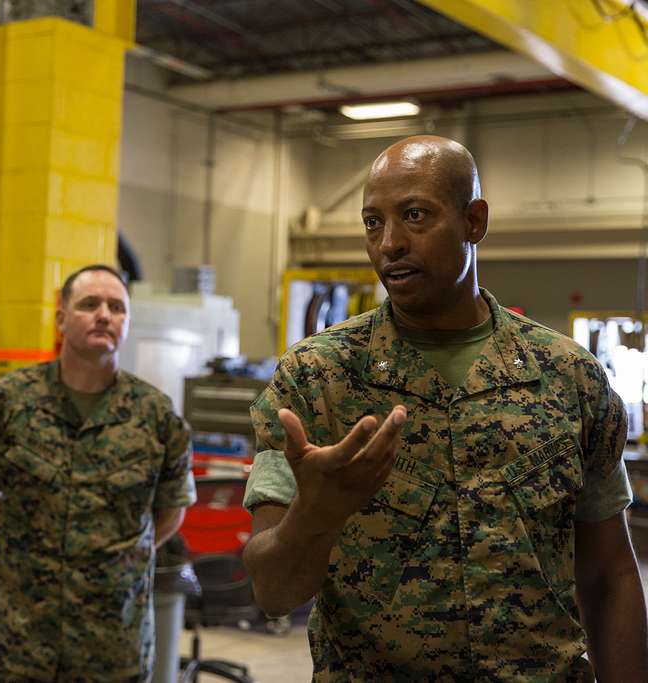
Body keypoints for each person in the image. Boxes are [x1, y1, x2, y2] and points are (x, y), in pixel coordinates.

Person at [243, 135, 648, 681]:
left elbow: (609, 575)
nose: (389, 243)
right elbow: (273, 592)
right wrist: (316, 515)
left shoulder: (568, 377)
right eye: (371, 222)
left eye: (414, 215)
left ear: (474, 221)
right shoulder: (317, 380)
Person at [0, 264, 196, 682]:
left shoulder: (157, 416)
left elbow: (170, 511)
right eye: (89, 304)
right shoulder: (8, 402)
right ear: (60, 318)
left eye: (116, 307)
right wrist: (34, 548)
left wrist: (114, 559)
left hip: (112, 641)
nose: (104, 315)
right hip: (18, 636)